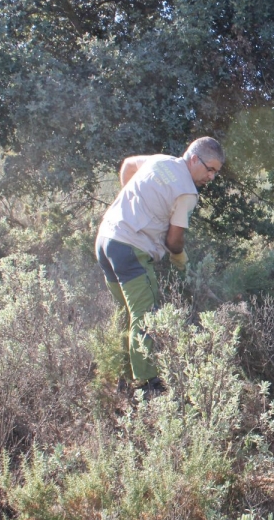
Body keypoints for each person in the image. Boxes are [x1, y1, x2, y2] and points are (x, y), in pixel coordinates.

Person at [95, 137, 224, 394]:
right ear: (194, 159)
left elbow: (128, 165)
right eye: (209, 169)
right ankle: (147, 386)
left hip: (105, 240)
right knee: (145, 317)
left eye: (215, 173)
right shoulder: (187, 193)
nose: (211, 177)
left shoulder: (159, 161)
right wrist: (180, 259)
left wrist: (132, 205)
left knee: (125, 313)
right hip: (131, 250)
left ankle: (122, 377)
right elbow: (173, 241)